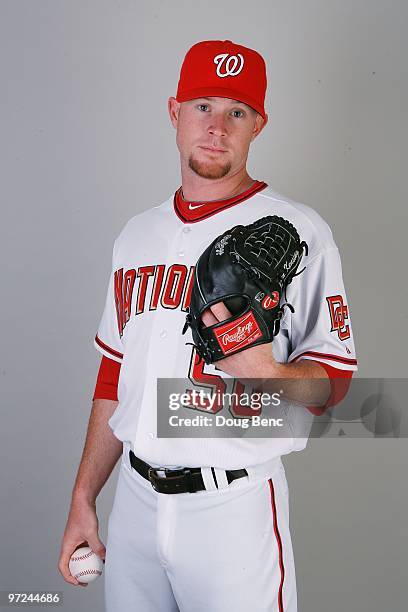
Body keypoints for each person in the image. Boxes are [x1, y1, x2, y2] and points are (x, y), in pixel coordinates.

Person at [58, 40, 357, 611]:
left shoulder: (299, 230)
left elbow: (336, 383)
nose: (217, 127)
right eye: (203, 107)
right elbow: (112, 375)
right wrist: (83, 497)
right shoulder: (136, 235)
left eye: (237, 112)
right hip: (135, 507)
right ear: (175, 112)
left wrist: (269, 372)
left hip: (233, 507)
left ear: (258, 125)